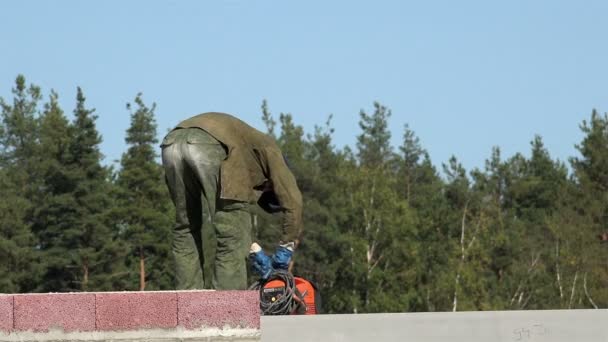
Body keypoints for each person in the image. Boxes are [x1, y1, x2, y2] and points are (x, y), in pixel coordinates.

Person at [161, 112, 303, 290]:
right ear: (271, 184)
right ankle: (227, 308)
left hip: (172, 142)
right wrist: (286, 247)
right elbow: (293, 202)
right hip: (210, 144)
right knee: (232, 234)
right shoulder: (271, 150)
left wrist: (253, 251)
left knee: (186, 226)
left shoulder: (248, 145)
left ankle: (187, 304)